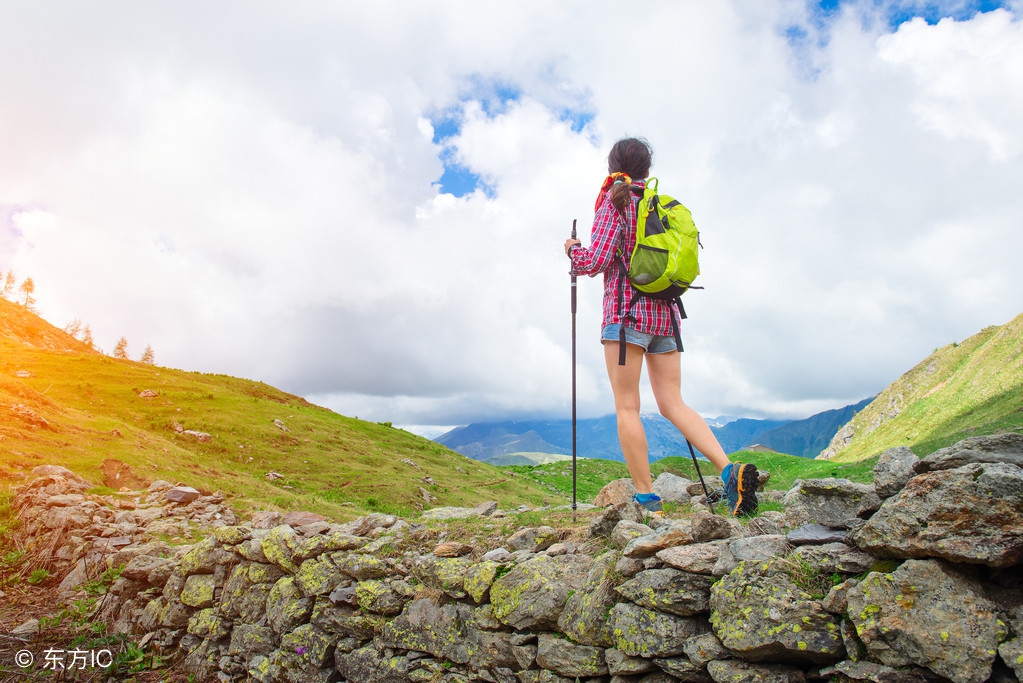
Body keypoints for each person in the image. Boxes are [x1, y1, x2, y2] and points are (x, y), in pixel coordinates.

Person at [563, 137, 759, 516]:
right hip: (666, 316)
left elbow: (594, 262)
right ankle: (729, 470)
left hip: (625, 318)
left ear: (612, 167)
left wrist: (572, 249)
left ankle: (647, 498)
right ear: (646, 171)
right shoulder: (660, 206)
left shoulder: (615, 202)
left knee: (627, 407)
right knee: (673, 403)